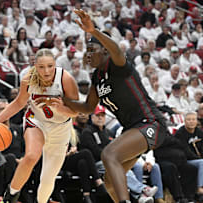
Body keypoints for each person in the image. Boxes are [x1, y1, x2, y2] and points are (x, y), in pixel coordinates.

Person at [61, 10, 167, 203]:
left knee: (108, 154)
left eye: (93, 50)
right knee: (109, 181)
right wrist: (63, 100)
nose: (89, 54)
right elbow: (87, 107)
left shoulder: (117, 65)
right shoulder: (97, 78)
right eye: (88, 51)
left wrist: (94, 31)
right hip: (133, 129)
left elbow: (117, 49)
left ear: (105, 52)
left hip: (151, 123)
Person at [0, 48, 79, 203]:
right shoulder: (28, 79)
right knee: (30, 156)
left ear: (55, 65)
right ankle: (11, 195)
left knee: (48, 179)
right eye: (41, 67)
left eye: (50, 66)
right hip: (36, 121)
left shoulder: (65, 79)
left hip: (60, 128)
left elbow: (76, 111)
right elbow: (19, 103)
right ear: (35, 66)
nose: (46, 71)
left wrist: (60, 108)